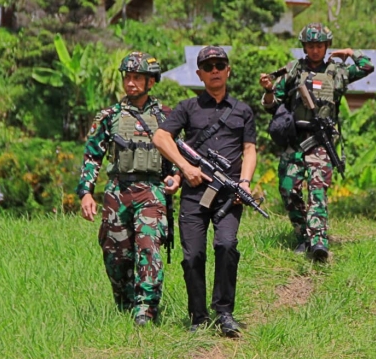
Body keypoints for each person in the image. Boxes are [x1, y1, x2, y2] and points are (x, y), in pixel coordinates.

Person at [152, 46, 257, 337]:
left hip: (228, 193)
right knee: (193, 256)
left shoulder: (243, 110)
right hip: (195, 192)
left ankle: (224, 313)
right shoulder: (187, 108)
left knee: (226, 247)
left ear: (228, 70)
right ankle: (198, 317)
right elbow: (160, 137)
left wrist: (245, 183)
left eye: (219, 65)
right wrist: (184, 168)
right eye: (208, 66)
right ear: (199, 73)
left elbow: (249, 150)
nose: (214, 70)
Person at [76, 52, 179, 326]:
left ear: (150, 82)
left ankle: (146, 309)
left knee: (149, 249)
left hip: (151, 191)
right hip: (117, 191)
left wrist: (177, 177)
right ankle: (124, 304)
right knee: (115, 254)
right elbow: (92, 155)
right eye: (128, 77)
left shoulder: (167, 117)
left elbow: (182, 154)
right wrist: (86, 192)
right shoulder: (109, 116)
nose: (131, 83)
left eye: (137, 78)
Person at [258, 22, 374, 261]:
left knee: (317, 191)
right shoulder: (293, 70)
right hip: (296, 139)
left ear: (327, 46)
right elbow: (273, 104)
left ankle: (319, 240)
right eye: (310, 45)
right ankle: (303, 235)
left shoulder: (337, 71)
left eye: (319, 45)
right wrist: (269, 90)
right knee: (288, 190)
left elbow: (367, 66)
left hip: (321, 141)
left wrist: (351, 53)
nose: (315, 50)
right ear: (304, 47)